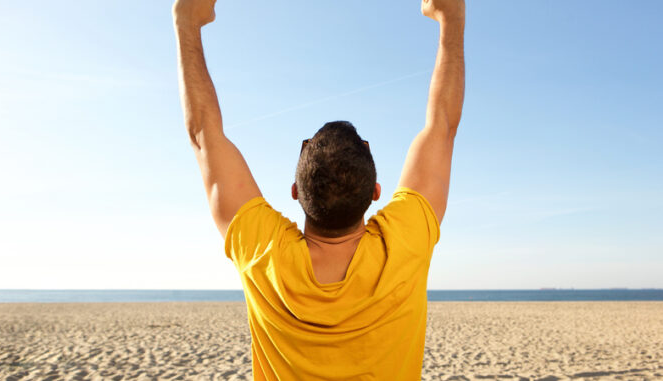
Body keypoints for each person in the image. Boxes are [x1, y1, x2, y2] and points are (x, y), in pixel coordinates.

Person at [173, 0, 465, 379]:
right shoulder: (404, 242)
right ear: (376, 191)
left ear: (296, 190)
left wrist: (186, 22)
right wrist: (451, 17)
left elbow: (202, 134)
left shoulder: (265, 253)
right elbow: (442, 124)